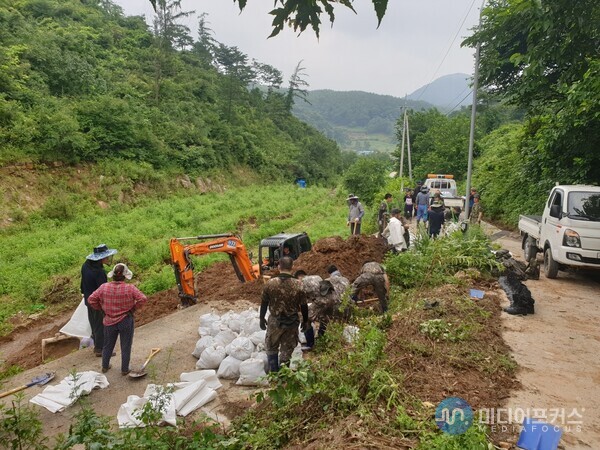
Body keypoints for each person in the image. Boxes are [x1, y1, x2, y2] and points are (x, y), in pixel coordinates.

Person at [87, 263, 147, 375]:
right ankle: (124, 369)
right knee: (126, 345)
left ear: (113, 275)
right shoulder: (130, 288)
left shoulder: (104, 287)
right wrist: (133, 309)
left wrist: (101, 309)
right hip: (125, 320)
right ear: (124, 276)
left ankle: (105, 366)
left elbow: (91, 300)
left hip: (109, 320)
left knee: (107, 345)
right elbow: (142, 299)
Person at [259, 256, 310, 372]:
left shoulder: (270, 283)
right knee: (287, 349)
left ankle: (274, 373)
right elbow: (304, 306)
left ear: (278, 266)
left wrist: (261, 318)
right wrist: (305, 321)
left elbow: (264, 303)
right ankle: (284, 375)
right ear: (292, 267)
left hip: (274, 322)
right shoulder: (299, 285)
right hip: (291, 322)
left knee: (272, 346)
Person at [81, 244, 117, 357]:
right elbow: (103, 289)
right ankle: (100, 349)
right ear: (101, 258)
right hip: (97, 302)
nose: (108, 259)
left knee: (94, 323)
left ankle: (97, 344)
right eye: (106, 257)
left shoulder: (85, 265)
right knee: (101, 325)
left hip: (88, 299)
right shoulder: (99, 273)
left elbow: (82, 284)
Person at [303, 280, 340, 350]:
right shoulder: (335, 292)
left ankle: (310, 344)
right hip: (333, 306)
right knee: (325, 319)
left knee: (305, 319)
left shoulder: (309, 287)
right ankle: (320, 338)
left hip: (324, 304)